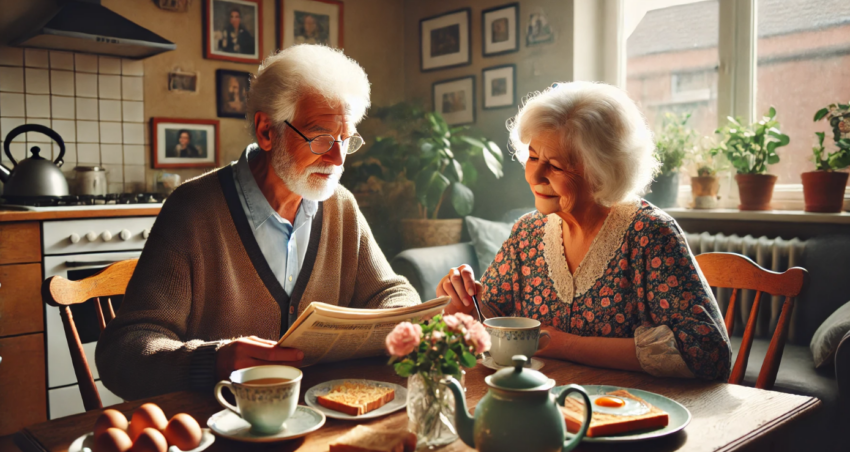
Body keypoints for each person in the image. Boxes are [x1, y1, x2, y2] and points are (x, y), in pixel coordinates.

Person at [96, 44, 420, 399]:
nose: (337, 157)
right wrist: (213, 359)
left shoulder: (341, 205)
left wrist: (383, 323)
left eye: (346, 139)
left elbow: (393, 293)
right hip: (218, 424)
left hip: (322, 420)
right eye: (321, 138)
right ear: (267, 131)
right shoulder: (192, 210)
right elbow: (122, 352)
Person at [439, 82, 732, 380]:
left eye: (554, 165)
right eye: (533, 156)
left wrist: (565, 345)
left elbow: (706, 352)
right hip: (543, 404)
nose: (535, 174)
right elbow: (487, 319)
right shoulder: (527, 232)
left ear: (602, 170)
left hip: (631, 408)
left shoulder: (651, 234)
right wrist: (459, 299)